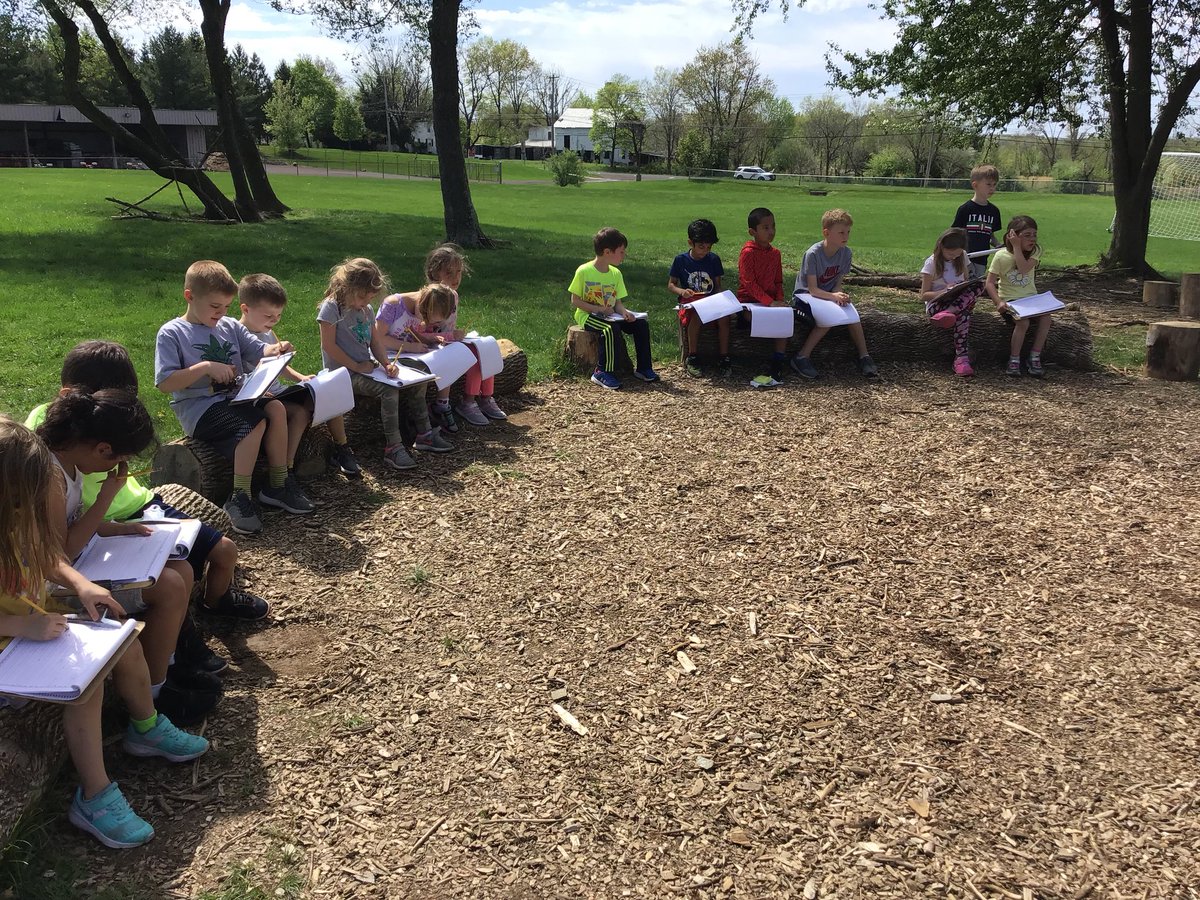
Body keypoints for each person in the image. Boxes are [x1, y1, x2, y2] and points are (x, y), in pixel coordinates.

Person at [0, 417, 209, 849]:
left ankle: (145, 727)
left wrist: (80, 584)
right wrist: (21, 624)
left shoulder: (14, 521)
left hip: (36, 622)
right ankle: (94, 796)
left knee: (122, 638)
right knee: (87, 684)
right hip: (10, 647)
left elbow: (43, 557)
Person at [25, 340, 269, 627]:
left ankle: (212, 605)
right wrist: (109, 509)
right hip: (98, 530)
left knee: (222, 551)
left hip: (138, 509)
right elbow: (61, 542)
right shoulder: (58, 444)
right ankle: (180, 645)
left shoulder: (83, 449)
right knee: (171, 579)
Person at [34, 388, 221, 724]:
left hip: (78, 562)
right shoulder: (50, 478)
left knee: (182, 570)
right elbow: (60, 550)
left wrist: (113, 528)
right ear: (103, 449)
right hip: (57, 583)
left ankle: (165, 667)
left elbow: (70, 523)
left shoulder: (69, 462)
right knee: (170, 586)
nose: (120, 469)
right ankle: (154, 695)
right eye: (119, 460)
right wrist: (107, 497)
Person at [155, 260, 313, 535]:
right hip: (199, 409)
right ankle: (239, 496)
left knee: (275, 408)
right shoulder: (172, 333)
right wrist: (205, 367)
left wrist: (276, 349)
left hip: (237, 399)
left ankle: (277, 483)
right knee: (254, 422)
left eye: (226, 307)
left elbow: (257, 351)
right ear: (190, 297)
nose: (221, 313)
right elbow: (165, 383)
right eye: (215, 307)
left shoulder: (229, 326)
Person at [317, 257, 453, 472]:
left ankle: (425, 435)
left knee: (418, 383)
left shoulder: (366, 310)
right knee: (389, 392)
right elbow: (328, 346)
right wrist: (356, 365)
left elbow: (375, 341)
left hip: (367, 368)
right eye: (362, 296)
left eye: (369, 298)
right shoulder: (331, 308)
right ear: (349, 287)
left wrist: (386, 363)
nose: (365, 302)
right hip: (341, 372)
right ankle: (393, 447)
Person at [376, 246, 506, 427]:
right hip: (392, 356)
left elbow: (435, 333)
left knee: (474, 348)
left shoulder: (449, 298)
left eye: (459, 272)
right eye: (449, 272)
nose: (455, 278)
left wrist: (446, 336)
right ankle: (437, 412)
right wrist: (412, 346)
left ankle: (465, 401)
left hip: (422, 351)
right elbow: (377, 338)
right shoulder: (394, 304)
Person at [237, 273, 316, 476]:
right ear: (245, 309)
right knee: (298, 413)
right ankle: (285, 468)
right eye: (269, 316)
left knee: (313, 396)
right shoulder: (237, 334)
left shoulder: (267, 333)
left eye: (279, 316)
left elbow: (280, 366)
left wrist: (300, 378)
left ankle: (336, 449)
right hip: (257, 396)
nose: (274, 321)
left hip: (275, 391)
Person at [790, 209, 878, 380]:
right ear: (826, 233)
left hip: (827, 296)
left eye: (848, 232)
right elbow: (813, 289)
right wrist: (834, 297)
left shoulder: (846, 253)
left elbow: (837, 284)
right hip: (805, 296)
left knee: (853, 316)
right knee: (829, 318)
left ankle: (864, 356)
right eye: (841, 232)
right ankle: (801, 356)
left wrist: (839, 295)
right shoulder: (813, 254)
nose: (846, 236)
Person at [569, 227, 658, 390]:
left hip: (612, 314)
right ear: (608, 252)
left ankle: (644, 368)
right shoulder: (584, 271)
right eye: (621, 252)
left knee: (640, 325)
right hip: (588, 316)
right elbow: (575, 301)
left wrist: (624, 313)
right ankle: (602, 371)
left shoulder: (616, 274)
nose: (624, 255)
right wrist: (598, 309)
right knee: (610, 330)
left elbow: (617, 302)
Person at [986, 215, 1052, 376]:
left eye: (1034, 235)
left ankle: (1035, 356)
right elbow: (989, 283)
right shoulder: (1001, 256)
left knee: (1046, 318)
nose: (1032, 239)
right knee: (1022, 322)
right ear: (1013, 236)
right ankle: (1014, 359)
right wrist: (998, 302)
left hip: (1031, 299)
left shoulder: (1036, 251)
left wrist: (1017, 247)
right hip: (1011, 301)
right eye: (1027, 235)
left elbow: (1023, 268)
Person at [669, 218, 731, 377]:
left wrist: (721, 297)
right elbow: (671, 285)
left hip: (710, 300)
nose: (705, 251)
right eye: (701, 246)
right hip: (690, 301)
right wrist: (682, 291)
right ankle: (693, 356)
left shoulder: (714, 259)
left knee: (725, 318)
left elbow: (717, 285)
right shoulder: (680, 260)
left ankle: (724, 357)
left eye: (709, 247)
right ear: (691, 243)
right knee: (697, 315)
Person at [920, 228, 984, 377]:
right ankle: (961, 358)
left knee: (981, 284)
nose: (954, 258)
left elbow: (967, 281)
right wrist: (943, 291)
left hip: (958, 302)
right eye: (950, 254)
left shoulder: (962, 257)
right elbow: (924, 295)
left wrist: (960, 288)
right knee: (964, 316)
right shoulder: (931, 263)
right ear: (941, 247)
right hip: (937, 305)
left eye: (957, 255)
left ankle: (951, 311)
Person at [736, 207, 788, 385]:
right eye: (765, 228)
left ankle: (778, 361)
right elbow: (748, 283)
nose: (771, 231)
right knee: (761, 317)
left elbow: (779, 281)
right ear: (753, 232)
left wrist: (779, 300)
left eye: (773, 226)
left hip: (771, 301)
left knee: (785, 317)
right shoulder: (748, 253)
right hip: (749, 301)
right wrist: (770, 303)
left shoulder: (776, 254)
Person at [952, 164, 1002, 278]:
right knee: (963, 285)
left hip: (981, 258)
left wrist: (998, 245)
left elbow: (990, 235)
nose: (992, 188)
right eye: (988, 184)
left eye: (994, 185)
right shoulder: (965, 209)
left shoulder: (994, 211)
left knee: (974, 286)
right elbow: (955, 234)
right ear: (975, 185)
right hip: (964, 258)